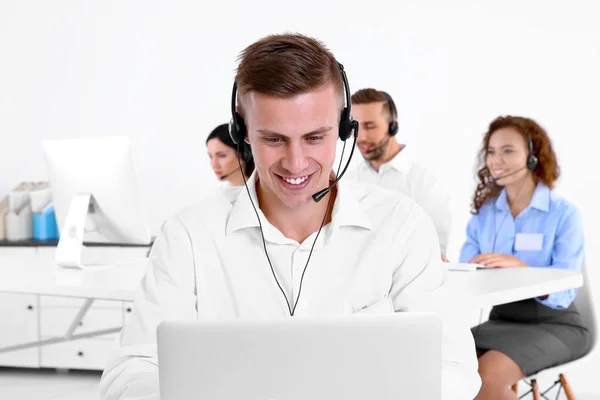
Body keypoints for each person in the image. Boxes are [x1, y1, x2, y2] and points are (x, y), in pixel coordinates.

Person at [98, 33, 480, 400]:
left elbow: (453, 368)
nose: (296, 163)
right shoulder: (189, 235)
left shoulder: (401, 225)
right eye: (274, 139)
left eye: (315, 137)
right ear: (242, 130)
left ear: (344, 127)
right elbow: (131, 371)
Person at [459, 115, 589, 399]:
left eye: (508, 151)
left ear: (533, 156)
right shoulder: (485, 214)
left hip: (556, 324)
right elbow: (468, 270)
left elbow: (565, 291)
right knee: (436, 358)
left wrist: (523, 268)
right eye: (491, 152)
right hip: (500, 320)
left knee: (485, 378)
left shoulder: (563, 214)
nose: (496, 160)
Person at [347, 88, 453, 260]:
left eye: (370, 126)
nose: (361, 137)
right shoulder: (348, 181)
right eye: (356, 127)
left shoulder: (422, 179)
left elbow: (435, 249)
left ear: (393, 125)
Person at [206, 123, 254, 187]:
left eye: (222, 156)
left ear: (245, 154)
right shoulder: (214, 196)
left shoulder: (265, 193)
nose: (214, 165)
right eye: (211, 156)